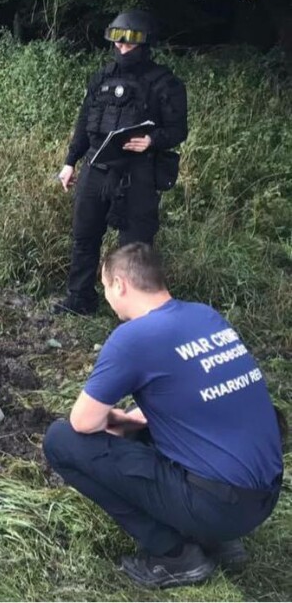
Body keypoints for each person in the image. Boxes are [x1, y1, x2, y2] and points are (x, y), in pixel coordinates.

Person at [44, 244, 283, 589]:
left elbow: (83, 422)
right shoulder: (205, 316)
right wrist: (143, 418)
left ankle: (174, 554)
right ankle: (220, 540)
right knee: (136, 423)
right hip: (263, 495)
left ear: (120, 284)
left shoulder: (133, 338)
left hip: (218, 506)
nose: (108, 299)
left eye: (106, 287)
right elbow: (205, 391)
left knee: (62, 440)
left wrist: (119, 424)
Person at [54, 10, 188, 315]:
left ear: (145, 44)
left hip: (137, 174)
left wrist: (152, 141)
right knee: (84, 236)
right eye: (118, 44)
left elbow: (178, 129)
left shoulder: (164, 83)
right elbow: (85, 122)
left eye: (129, 45)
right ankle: (80, 299)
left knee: (135, 248)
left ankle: (139, 312)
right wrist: (70, 162)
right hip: (96, 168)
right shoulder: (102, 77)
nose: (122, 49)